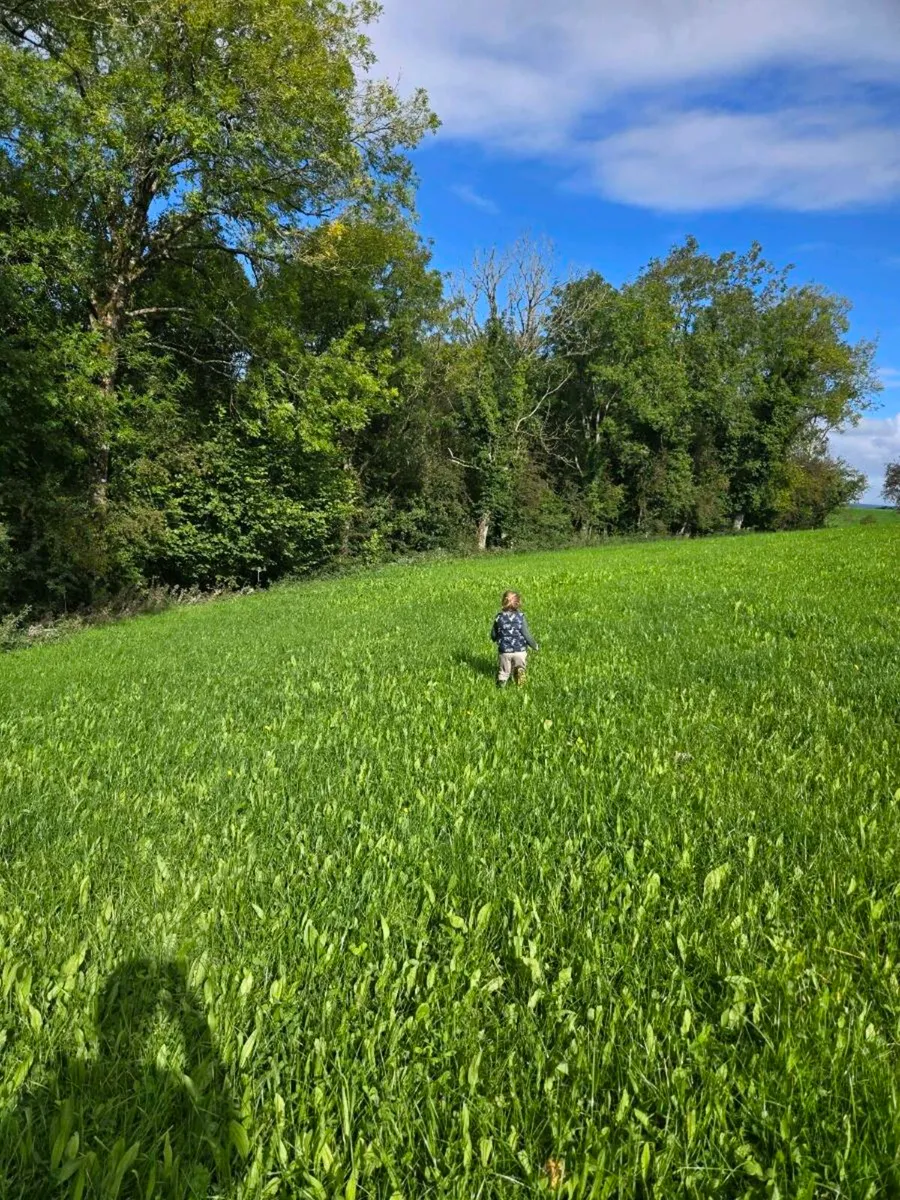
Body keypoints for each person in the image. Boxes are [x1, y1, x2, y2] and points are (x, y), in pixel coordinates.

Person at [490, 590, 539, 688]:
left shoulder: (499, 617)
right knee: (520, 667)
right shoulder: (521, 617)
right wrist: (535, 645)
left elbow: (493, 635)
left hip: (505, 652)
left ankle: (501, 687)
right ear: (518, 603)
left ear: (503, 602)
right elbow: (526, 634)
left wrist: (495, 638)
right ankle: (520, 676)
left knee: (503, 671)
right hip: (520, 651)